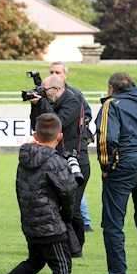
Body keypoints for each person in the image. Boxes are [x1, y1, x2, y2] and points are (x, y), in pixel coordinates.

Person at [0, 113, 76, 274]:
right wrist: (67, 216)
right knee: (62, 265)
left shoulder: (25, 157)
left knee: (35, 261)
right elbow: (68, 192)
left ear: (35, 135)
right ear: (60, 136)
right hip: (51, 224)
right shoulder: (56, 161)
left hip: (31, 221)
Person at [95, 72, 137, 274]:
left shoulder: (112, 105)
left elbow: (106, 138)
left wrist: (106, 166)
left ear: (111, 88)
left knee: (113, 222)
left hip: (123, 168)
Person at [29, 74, 86, 257]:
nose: (44, 95)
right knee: (55, 207)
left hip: (75, 160)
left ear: (58, 89)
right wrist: (35, 107)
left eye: (46, 91)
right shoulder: (50, 100)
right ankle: (62, 247)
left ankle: (77, 247)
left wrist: (42, 103)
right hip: (55, 160)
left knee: (73, 208)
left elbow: (56, 124)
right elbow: (37, 126)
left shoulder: (73, 101)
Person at [48, 62, 92, 252]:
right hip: (57, 156)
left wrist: (78, 132)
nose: (54, 74)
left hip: (75, 152)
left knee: (73, 205)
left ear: (65, 75)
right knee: (62, 205)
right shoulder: (49, 96)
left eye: (57, 72)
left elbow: (85, 116)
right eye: (51, 72)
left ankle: (76, 244)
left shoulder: (75, 96)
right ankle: (65, 244)